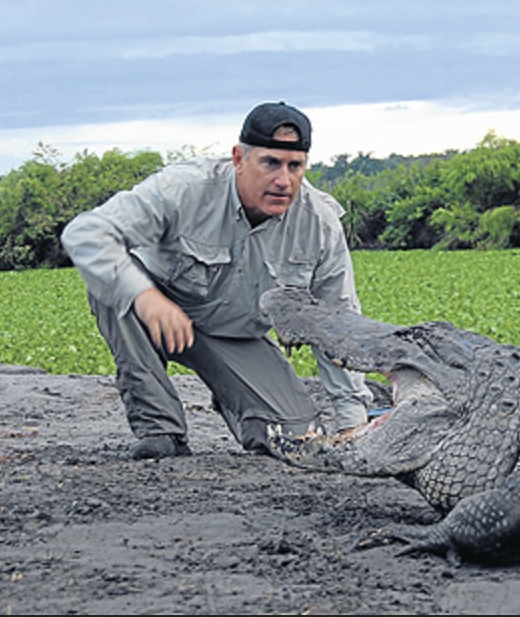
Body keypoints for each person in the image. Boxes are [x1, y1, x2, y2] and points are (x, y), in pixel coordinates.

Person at [61, 101, 373, 460]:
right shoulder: (184, 188)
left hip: (234, 335)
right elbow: (86, 233)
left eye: (294, 166)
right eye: (270, 163)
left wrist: (352, 422)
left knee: (294, 438)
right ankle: (161, 428)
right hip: (158, 314)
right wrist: (146, 297)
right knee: (115, 281)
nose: (283, 180)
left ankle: (230, 393)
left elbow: (338, 321)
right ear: (239, 158)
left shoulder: (319, 222)